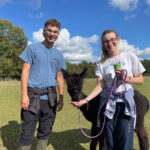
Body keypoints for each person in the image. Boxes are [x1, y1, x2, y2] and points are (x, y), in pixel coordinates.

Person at [71, 29, 145, 150]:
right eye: (106, 41)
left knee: (125, 141)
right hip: (107, 105)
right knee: (109, 141)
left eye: (112, 40)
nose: (109, 43)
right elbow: (100, 85)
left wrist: (127, 78)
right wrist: (85, 100)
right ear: (103, 44)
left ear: (118, 40)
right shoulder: (101, 63)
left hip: (124, 105)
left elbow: (140, 79)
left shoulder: (129, 56)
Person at [18, 19, 66, 150]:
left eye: (55, 32)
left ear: (58, 34)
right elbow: (25, 70)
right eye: (49, 30)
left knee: (45, 133)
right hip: (32, 96)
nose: (52, 34)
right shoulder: (32, 48)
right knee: (27, 134)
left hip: (50, 98)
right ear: (44, 31)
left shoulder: (59, 55)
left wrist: (61, 96)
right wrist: (24, 95)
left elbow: (60, 77)